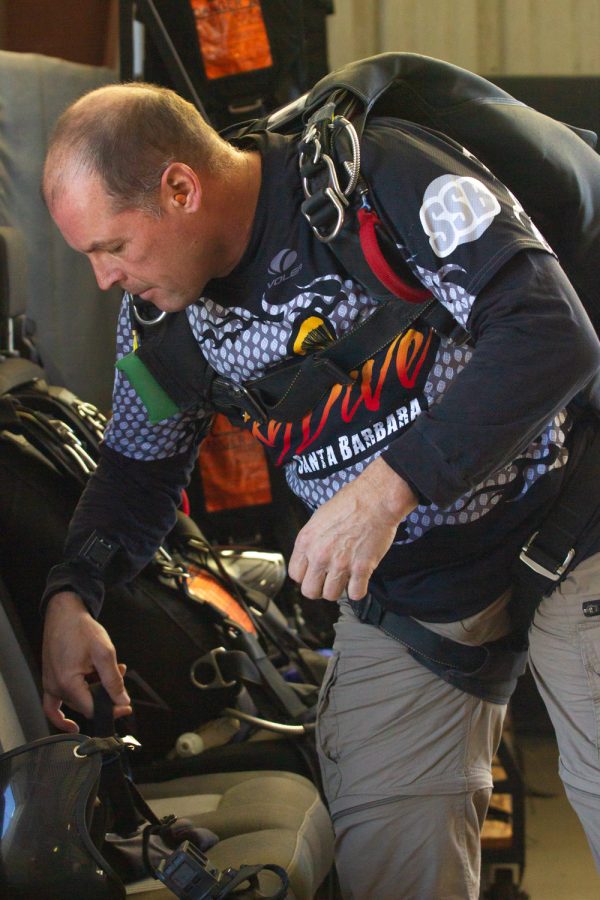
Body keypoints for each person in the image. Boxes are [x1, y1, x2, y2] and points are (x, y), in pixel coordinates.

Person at [39, 80, 600, 899]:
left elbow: (551, 331)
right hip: (409, 593)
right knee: (389, 866)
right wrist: (72, 594)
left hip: (567, 518)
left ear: (180, 189)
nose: (102, 278)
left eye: (112, 245)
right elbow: (137, 469)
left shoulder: (373, 180)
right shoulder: (161, 324)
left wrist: (387, 489)